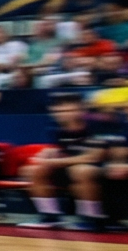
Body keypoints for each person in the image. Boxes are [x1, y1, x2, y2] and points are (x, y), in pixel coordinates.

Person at [22, 93, 115, 230]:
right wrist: (48, 154)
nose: (62, 115)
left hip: (104, 169)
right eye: (58, 111)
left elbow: (94, 157)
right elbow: (61, 149)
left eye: (68, 110)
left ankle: (93, 219)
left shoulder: (96, 126)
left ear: (81, 110)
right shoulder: (56, 129)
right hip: (70, 168)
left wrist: (54, 162)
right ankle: (50, 217)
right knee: (33, 170)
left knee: (81, 170)